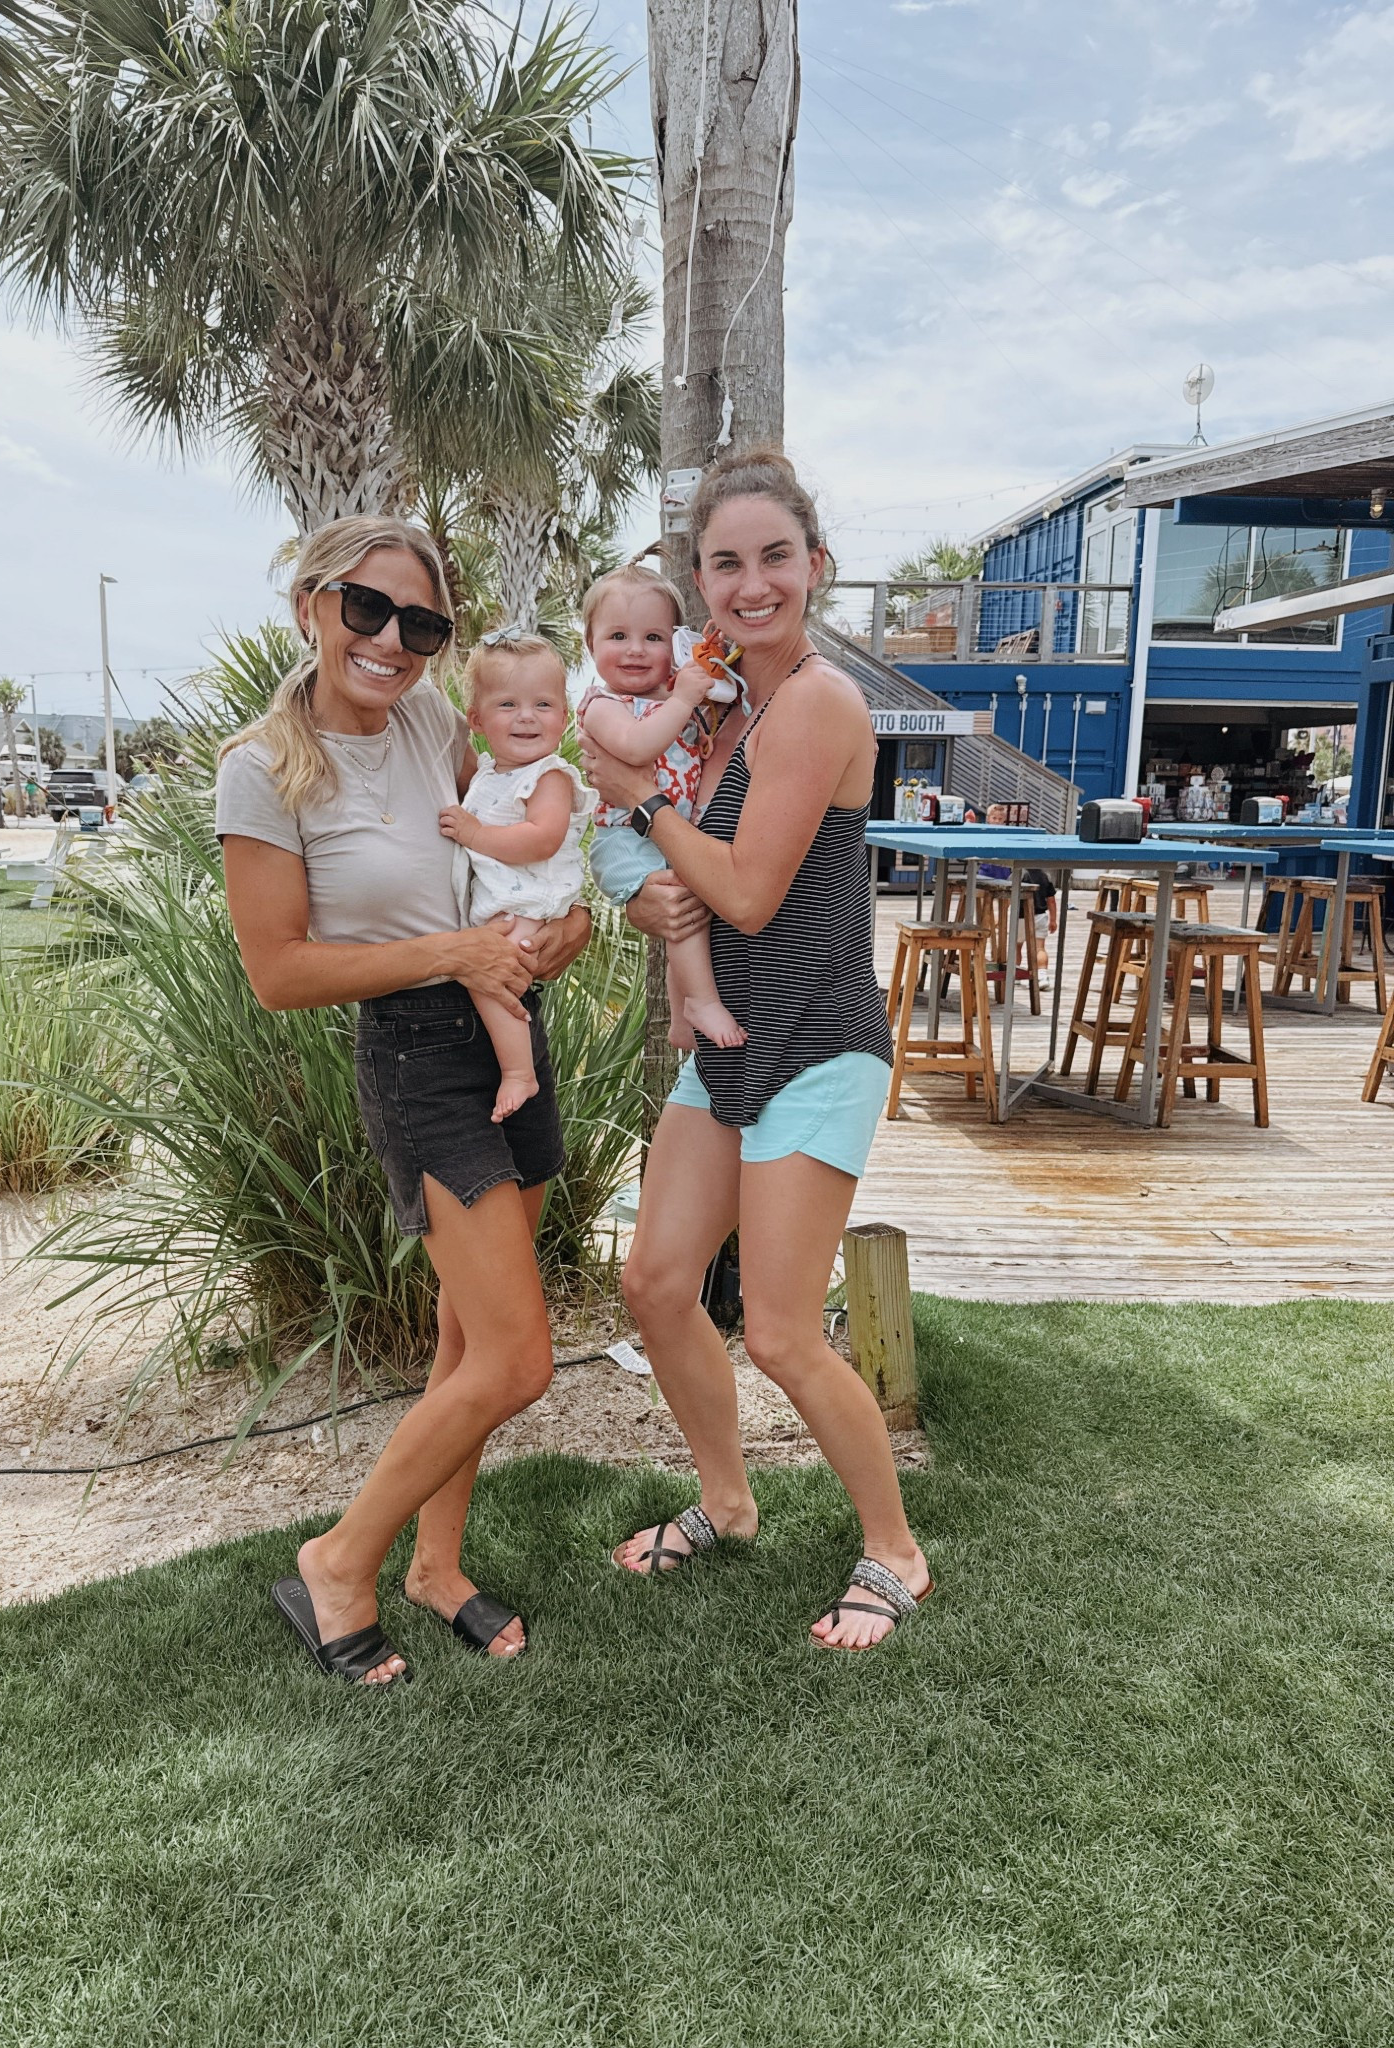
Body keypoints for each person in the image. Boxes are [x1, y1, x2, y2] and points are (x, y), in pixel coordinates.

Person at [215, 516, 591, 1687]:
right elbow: (279, 971)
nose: (390, 641)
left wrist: (567, 926)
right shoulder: (262, 768)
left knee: (468, 1337)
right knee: (518, 1360)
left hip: (508, 1028)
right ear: (311, 606)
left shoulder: (433, 720)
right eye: (366, 608)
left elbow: (511, 862)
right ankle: (339, 1559)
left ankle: (436, 1564)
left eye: (420, 623)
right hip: (420, 1057)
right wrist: (453, 956)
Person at [581, 449, 934, 1653]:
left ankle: (895, 1549)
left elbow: (742, 889)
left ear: (815, 565)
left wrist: (637, 805)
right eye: (725, 562)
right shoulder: (722, 710)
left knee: (781, 1328)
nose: (752, 582)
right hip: (731, 1041)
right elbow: (683, 891)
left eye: (775, 556)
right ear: (700, 579)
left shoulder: (820, 703)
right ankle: (728, 1501)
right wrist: (639, 889)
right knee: (654, 1280)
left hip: (819, 1040)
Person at [578, 562, 744, 1051]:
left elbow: (699, 720)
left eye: (653, 637)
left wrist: (705, 670)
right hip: (626, 839)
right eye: (618, 636)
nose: (635, 649)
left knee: (685, 922)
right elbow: (635, 748)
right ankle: (702, 1003)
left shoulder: (670, 697)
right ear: (590, 643)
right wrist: (683, 700)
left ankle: (682, 1018)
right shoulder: (603, 706)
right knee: (684, 910)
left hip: (659, 831)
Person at [437, 631, 590, 1121]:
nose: (527, 716)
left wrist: (476, 834)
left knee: (491, 978)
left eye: (543, 704)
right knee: (488, 977)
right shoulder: (488, 773)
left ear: (563, 716)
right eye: (508, 704)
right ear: (476, 720)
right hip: (505, 899)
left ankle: (520, 1071)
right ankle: (514, 1067)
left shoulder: (549, 776)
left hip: (530, 900)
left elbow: (542, 838)